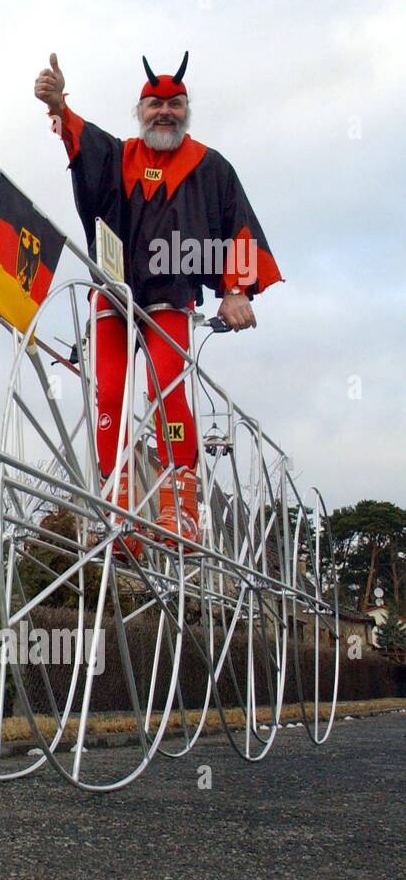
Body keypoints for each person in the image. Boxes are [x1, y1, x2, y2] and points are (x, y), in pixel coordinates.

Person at [33, 52, 282, 547]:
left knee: (168, 392)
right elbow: (84, 141)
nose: (163, 113)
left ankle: (178, 504)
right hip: (114, 290)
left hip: (170, 295)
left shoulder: (210, 167)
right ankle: (115, 503)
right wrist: (60, 104)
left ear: (185, 110)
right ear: (139, 110)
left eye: (173, 105)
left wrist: (235, 289)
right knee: (109, 394)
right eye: (154, 105)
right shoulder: (120, 156)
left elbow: (237, 223)